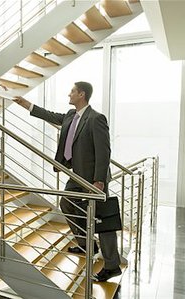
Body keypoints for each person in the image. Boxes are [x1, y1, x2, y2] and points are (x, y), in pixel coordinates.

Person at [13, 82, 121, 282]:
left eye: (72, 91)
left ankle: (112, 266)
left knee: (103, 221)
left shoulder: (96, 118)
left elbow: (104, 151)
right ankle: (86, 243)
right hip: (77, 175)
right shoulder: (71, 116)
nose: (68, 94)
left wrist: (99, 181)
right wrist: (26, 104)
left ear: (82, 94)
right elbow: (50, 115)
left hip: (93, 180)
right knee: (66, 203)